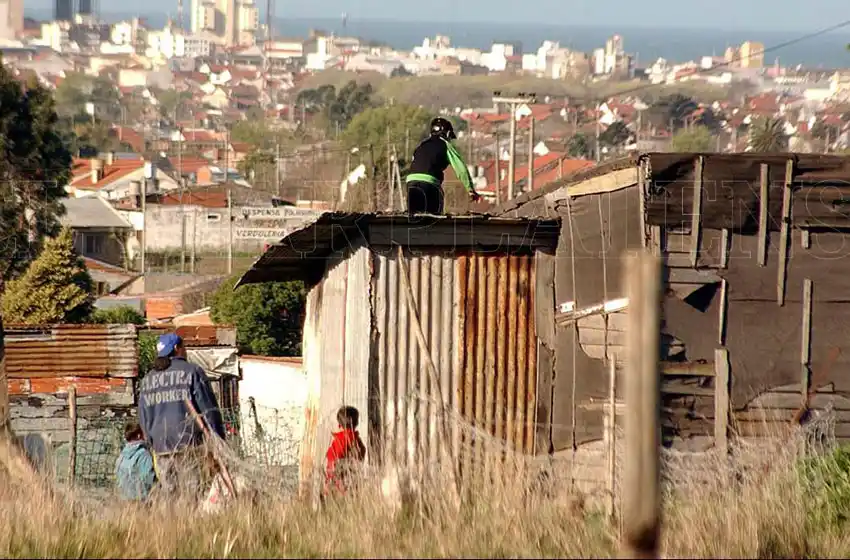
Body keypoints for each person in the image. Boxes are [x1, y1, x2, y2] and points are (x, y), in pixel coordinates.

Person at [137, 333, 226, 500]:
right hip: (189, 444)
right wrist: (219, 439)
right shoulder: (192, 372)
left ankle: (173, 525)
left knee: (170, 496)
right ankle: (191, 525)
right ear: (178, 349)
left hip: (161, 448)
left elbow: (143, 417)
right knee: (194, 494)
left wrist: (151, 442)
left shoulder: (147, 380)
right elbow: (209, 409)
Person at [405, 117, 481, 215]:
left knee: (414, 218)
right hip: (430, 184)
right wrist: (470, 189)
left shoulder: (420, 146)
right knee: (434, 220)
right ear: (447, 134)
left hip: (411, 183)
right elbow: (460, 168)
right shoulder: (445, 145)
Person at [324, 406, 367, 496]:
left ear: (339, 424)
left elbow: (333, 464)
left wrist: (328, 486)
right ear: (356, 423)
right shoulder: (356, 441)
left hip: (337, 488)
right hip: (353, 487)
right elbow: (360, 458)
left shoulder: (339, 441)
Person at [114, 421, 156, 501]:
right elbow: (148, 478)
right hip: (141, 500)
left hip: (124, 499)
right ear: (139, 435)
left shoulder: (121, 456)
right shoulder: (143, 454)